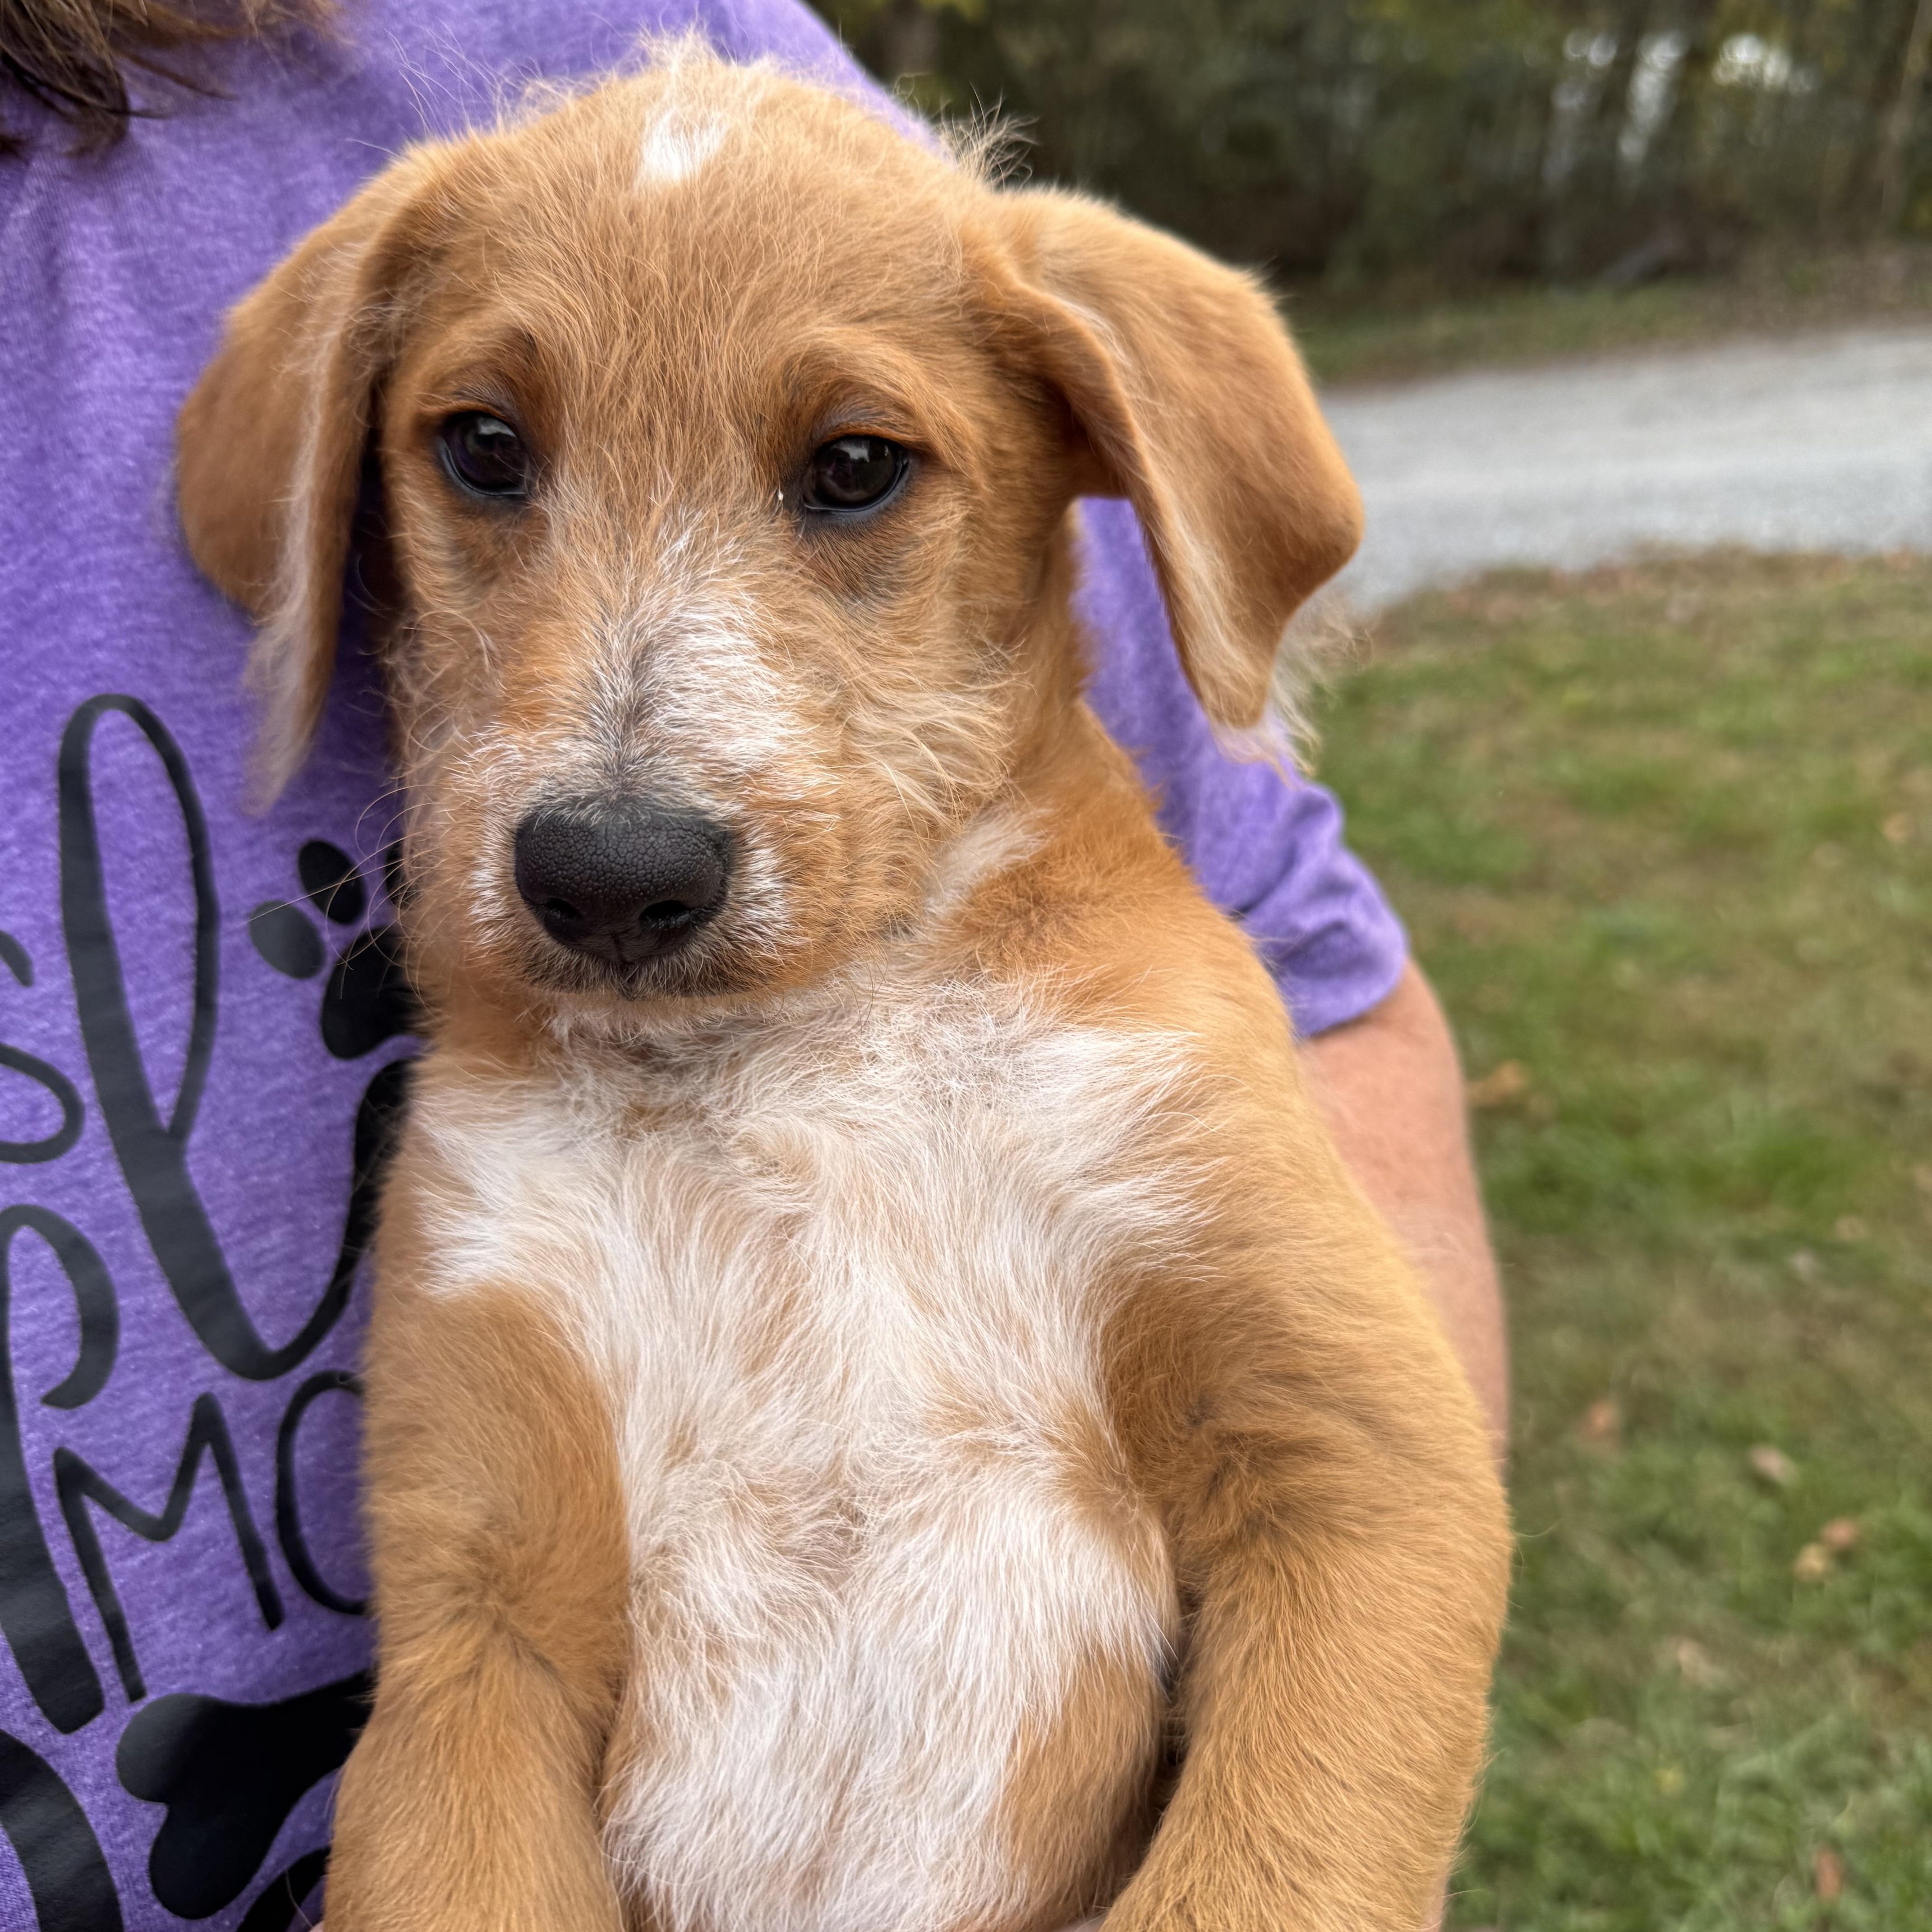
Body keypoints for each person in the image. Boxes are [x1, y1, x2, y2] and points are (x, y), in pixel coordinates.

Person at [0, 2, 1505, 1924]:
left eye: (854, 469)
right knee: (476, 1650)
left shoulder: (1144, 1031)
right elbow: (489, 1686)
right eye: (483, 453)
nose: (618, 803)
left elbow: (1353, 1511)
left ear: (1088, 445)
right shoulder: (509, 1081)